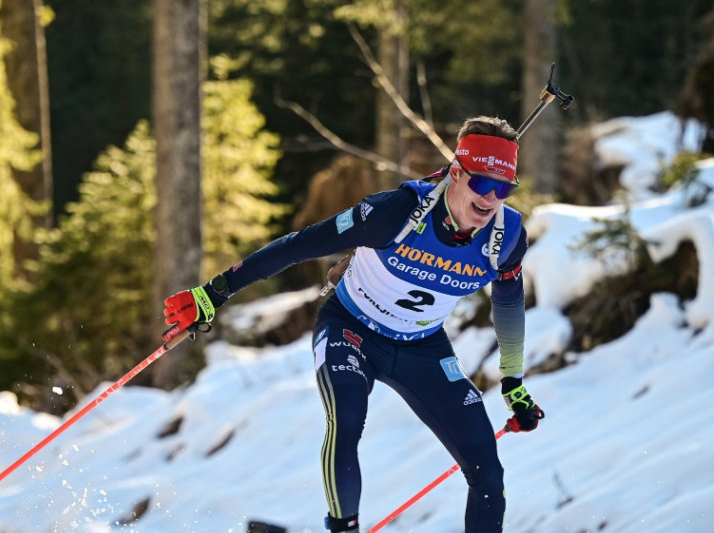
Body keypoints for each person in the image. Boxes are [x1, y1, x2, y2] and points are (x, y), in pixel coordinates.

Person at [161, 116, 544, 533]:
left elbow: (508, 303)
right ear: (455, 173)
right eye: (482, 184)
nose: (491, 199)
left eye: (503, 188)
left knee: (488, 472)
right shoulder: (394, 212)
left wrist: (513, 381)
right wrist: (215, 292)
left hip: (422, 347)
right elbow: (300, 245)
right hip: (351, 330)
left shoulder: (506, 238)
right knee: (346, 418)